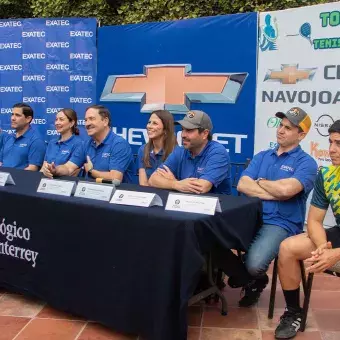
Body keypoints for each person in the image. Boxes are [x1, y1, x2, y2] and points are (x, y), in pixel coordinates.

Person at [235, 107, 318, 307]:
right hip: (251, 216)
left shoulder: (307, 163)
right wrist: (274, 190)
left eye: (288, 128)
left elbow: (287, 190)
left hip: (281, 223)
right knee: (211, 236)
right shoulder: (263, 155)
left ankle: (253, 277)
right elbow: (242, 184)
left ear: (302, 135)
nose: (280, 130)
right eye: (280, 125)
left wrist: (260, 182)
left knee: (254, 265)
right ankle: (248, 277)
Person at [274, 120, 340, 339]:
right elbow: (314, 221)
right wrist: (323, 248)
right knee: (287, 248)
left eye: (338, 144)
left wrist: (336, 254)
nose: (331, 150)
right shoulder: (327, 174)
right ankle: (294, 312)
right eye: (330, 142)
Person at [149, 110, 231, 195]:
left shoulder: (218, 153)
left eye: (189, 130)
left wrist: (171, 181)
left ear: (205, 134)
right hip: (183, 204)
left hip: (216, 206)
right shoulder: (180, 151)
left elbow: (201, 188)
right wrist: (175, 184)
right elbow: (153, 180)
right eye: (182, 129)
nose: (183, 135)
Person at [47, 105, 134, 183]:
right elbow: (69, 167)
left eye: (92, 119)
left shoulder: (119, 144)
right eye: (86, 120)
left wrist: (92, 171)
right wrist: (56, 170)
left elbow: (115, 178)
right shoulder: (86, 144)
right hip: (90, 194)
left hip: (115, 197)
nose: (87, 123)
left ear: (105, 121)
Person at [0, 103, 46, 170]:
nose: (13, 118)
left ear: (28, 119)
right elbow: (1, 162)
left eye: (17, 115)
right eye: (12, 114)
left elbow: (32, 168)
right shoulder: (7, 138)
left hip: (21, 179)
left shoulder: (36, 141)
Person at [137, 110, 177, 186]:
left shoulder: (176, 152)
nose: (149, 126)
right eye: (149, 122)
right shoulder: (143, 150)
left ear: (165, 129)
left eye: (155, 123)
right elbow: (143, 184)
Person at [41, 109, 83, 178]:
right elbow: (43, 167)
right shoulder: (52, 143)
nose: (57, 123)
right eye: (56, 119)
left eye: (61, 119)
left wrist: (54, 170)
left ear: (72, 123)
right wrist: (44, 171)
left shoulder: (79, 144)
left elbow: (71, 171)